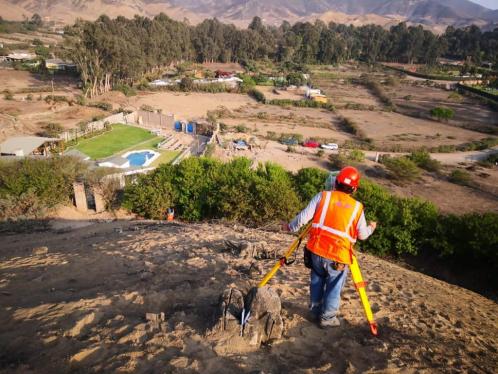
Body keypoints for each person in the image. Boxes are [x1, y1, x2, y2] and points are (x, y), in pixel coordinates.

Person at [284, 166, 377, 328]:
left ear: (336, 182)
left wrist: (289, 227)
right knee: (333, 287)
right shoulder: (357, 208)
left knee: (316, 281)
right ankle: (327, 319)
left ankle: (314, 311)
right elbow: (362, 235)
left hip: (316, 251)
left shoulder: (323, 196)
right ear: (354, 188)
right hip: (338, 256)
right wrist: (371, 228)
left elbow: (302, 218)